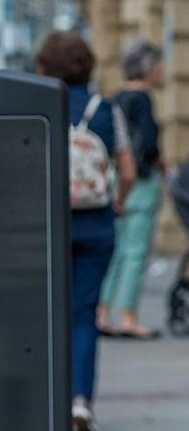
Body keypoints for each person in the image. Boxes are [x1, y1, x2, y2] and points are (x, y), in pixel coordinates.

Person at [36, 31, 136, 431]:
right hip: (96, 224)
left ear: (46, 66)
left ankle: (47, 399)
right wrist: (118, 201)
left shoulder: (40, 105)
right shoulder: (107, 110)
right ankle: (81, 400)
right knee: (84, 313)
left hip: (49, 223)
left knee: (46, 310)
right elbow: (127, 170)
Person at [99, 41, 165, 340]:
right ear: (149, 68)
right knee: (136, 253)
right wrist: (160, 163)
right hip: (141, 181)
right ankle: (128, 316)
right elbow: (148, 143)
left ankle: (102, 312)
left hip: (117, 181)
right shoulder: (143, 99)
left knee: (116, 251)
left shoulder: (116, 98)